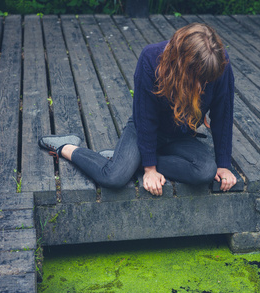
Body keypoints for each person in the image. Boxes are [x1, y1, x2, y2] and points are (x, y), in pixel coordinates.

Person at [39, 23, 236, 196]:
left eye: (207, 81)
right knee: (114, 177)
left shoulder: (218, 64)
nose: (202, 87)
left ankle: (127, 160)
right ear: (181, 64)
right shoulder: (151, 59)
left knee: (205, 171)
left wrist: (224, 165)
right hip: (145, 129)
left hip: (182, 134)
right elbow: (145, 117)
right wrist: (149, 169)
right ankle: (67, 147)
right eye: (197, 80)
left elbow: (223, 117)